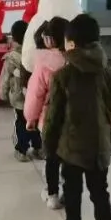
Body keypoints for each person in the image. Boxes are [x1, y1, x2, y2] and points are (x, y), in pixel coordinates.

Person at [42, 13, 111, 220]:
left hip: (71, 149)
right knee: (100, 194)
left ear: (71, 44)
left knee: (73, 190)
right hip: (99, 148)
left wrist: (49, 146)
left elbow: (54, 118)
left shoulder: (62, 76)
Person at [25, 18, 68, 210]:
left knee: (52, 158)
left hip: (49, 119)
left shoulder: (43, 64)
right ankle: (69, 192)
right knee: (69, 159)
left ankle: (52, 195)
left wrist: (31, 118)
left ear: (49, 39)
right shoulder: (76, 61)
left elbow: (35, 95)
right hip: (74, 119)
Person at [21, 0, 83, 72]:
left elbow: (28, 60)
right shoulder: (80, 16)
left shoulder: (39, 19)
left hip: (48, 77)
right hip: (80, 73)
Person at [0, 19, 42, 161]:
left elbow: (5, 78)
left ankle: (21, 151)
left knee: (21, 124)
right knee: (36, 122)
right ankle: (39, 149)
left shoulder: (11, 58)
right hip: (36, 96)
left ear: (14, 38)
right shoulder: (37, 54)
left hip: (19, 99)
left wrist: (3, 94)